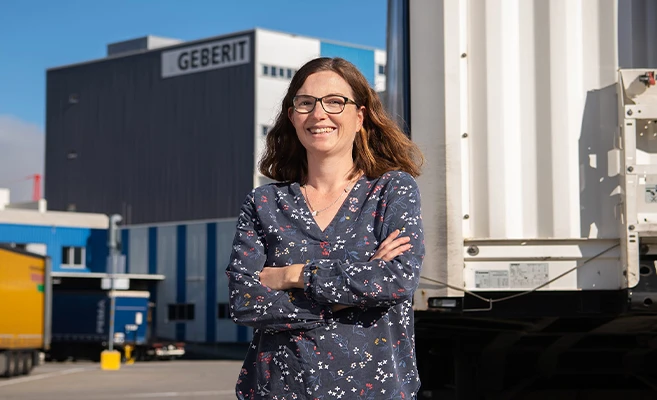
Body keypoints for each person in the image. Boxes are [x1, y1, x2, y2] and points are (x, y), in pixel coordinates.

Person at [226, 56, 425, 399]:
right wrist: (351, 293)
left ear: (360, 115)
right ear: (292, 116)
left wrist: (296, 276)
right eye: (305, 103)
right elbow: (245, 302)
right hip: (278, 390)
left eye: (335, 101)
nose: (319, 114)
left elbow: (395, 281)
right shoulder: (264, 204)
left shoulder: (391, 191)